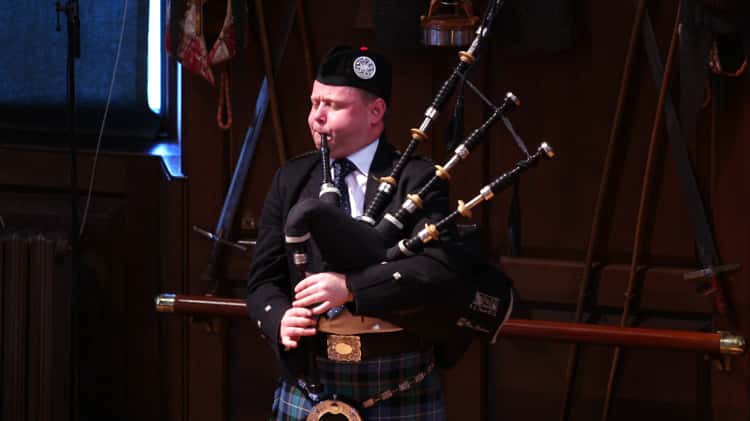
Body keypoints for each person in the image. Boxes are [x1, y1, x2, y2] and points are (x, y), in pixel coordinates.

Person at [247, 45, 466, 421]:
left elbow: (436, 269)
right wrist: (279, 317)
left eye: (332, 105)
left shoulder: (418, 178)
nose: (316, 117)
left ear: (375, 112)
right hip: (310, 377)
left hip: (397, 377)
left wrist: (351, 288)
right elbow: (262, 282)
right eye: (314, 103)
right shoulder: (292, 179)